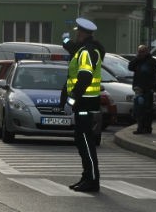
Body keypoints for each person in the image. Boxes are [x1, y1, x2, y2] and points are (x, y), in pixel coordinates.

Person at [61, 17, 104, 193]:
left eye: (78, 32)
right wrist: (64, 41)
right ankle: (87, 177)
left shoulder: (86, 52)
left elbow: (84, 78)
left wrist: (71, 100)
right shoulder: (85, 50)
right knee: (82, 140)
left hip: (84, 103)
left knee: (85, 142)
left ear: (83, 34)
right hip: (84, 104)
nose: (76, 34)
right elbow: (72, 47)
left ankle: (92, 180)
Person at [128, 44, 156, 134]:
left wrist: (154, 87)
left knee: (147, 109)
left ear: (147, 52)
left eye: (143, 51)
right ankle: (140, 128)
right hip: (138, 89)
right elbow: (130, 67)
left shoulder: (152, 62)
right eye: (139, 51)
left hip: (148, 89)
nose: (141, 53)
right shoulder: (138, 61)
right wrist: (137, 58)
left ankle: (147, 127)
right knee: (138, 109)